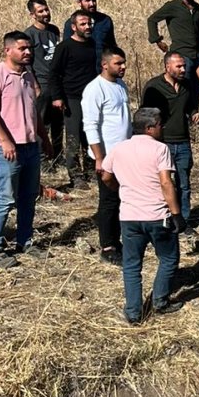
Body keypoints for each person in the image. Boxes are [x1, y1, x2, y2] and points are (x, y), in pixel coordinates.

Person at [101, 108, 187, 325]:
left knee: (131, 265)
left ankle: (133, 312)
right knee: (168, 258)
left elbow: (105, 176)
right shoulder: (160, 149)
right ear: (149, 128)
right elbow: (166, 182)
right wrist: (177, 214)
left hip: (129, 217)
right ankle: (160, 300)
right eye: (159, 124)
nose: (162, 127)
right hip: (158, 215)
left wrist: (120, 189)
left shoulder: (119, 148)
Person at [0, 31, 46, 269]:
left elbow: (32, 110)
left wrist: (43, 136)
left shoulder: (27, 75)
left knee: (28, 198)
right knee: (6, 199)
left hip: (30, 146)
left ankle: (25, 241)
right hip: (7, 149)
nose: (28, 52)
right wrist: (5, 140)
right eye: (22, 48)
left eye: (29, 48)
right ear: (8, 50)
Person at [82, 47, 133, 265]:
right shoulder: (95, 89)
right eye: (118, 63)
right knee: (109, 202)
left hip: (124, 155)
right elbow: (90, 126)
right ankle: (108, 246)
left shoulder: (120, 85)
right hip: (107, 156)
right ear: (105, 64)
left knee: (123, 200)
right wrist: (99, 158)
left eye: (123, 63)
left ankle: (119, 239)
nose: (123, 67)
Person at [141, 53, 199, 231]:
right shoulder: (154, 86)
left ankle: (183, 221)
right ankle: (162, 219)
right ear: (167, 67)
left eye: (184, 66)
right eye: (179, 66)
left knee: (184, 184)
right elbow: (146, 115)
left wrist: (195, 113)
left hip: (182, 141)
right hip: (162, 143)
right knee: (162, 183)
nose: (183, 69)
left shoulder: (187, 85)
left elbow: (190, 106)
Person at [49, 10, 99, 189]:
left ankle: (91, 171)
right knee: (73, 138)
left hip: (91, 98)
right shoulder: (65, 47)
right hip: (72, 98)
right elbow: (54, 73)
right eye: (83, 24)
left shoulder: (92, 44)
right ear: (73, 27)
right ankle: (76, 176)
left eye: (89, 24)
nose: (87, 27)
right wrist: (57, 97)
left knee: (90, 135)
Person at [147, 0, 199, 106]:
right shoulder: (172, 6)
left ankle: (194, 115)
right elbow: (152, 19)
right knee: (184, 86)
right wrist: (157, 40)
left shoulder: (197, 8)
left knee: (198, 88)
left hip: (198, 54)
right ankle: (182, 115)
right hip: (183, 54)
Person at [25, 0, 64, 169]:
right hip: (41, 81)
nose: (45, 13)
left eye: (46, 10)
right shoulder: (29, 34)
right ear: (33, 14)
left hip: (57, 82)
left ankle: (57, 154)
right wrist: (35, 84)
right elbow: (27, 62)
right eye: (40, 11)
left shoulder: (54, 30)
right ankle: (42, 158)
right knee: (41, 121)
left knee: (58, 120)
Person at [62, 0, 117, 69]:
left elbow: (111, 47)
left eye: (94, 0)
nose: (92, 4)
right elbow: (66, 50)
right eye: (87, 1)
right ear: (79, 2)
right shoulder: (71, 24)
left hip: (103, 71)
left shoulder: (105, 21)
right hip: (82, 73)